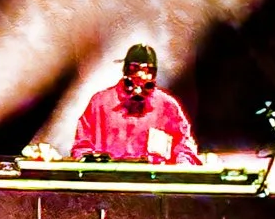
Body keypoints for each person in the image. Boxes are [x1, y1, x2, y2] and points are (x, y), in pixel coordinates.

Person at [68, 45, 201, 166]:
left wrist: (182, 165)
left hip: (153, 181)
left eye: (148, 70)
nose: (140, 75)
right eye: (134, 68)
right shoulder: (100, 103)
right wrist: (92, 165)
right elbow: (82, 147)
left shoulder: (167, 106)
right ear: (125, 70)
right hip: (109, 180)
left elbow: (184, 147)